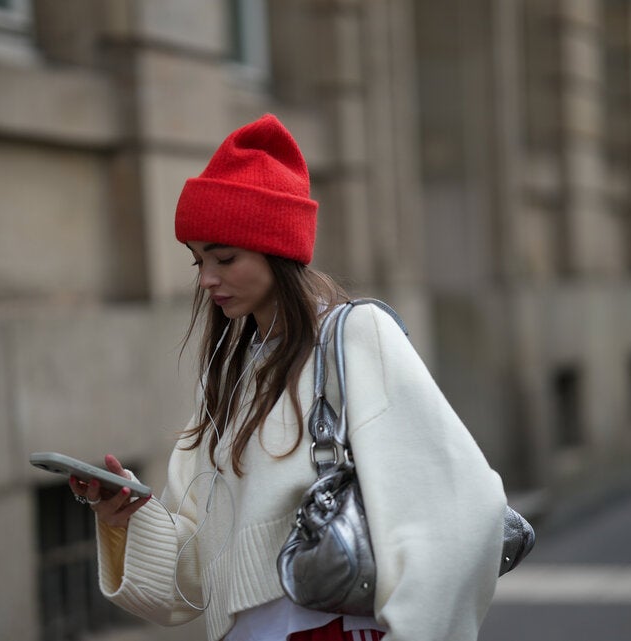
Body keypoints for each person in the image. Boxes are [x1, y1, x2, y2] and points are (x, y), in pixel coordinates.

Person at [69, 114, 507, 641]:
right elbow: (187, 584)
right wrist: (123, 518)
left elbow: (463, 512)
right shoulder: (230, 378)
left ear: (277, 251)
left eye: (225, 257)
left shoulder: (354, 337)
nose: (207, 279)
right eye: (197, 261)